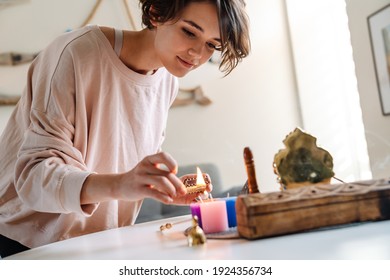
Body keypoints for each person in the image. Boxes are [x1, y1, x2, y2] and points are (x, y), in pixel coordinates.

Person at [0, 0, 250, 258]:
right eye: (189, 31)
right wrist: (121, 184)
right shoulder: (75, 54)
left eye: (212, 44)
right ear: (156, 13)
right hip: (29, 242)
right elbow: (33, 176)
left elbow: (119, 160)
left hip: (101, 243)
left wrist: (160, 185)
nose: (197, 54)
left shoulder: (167, 81)